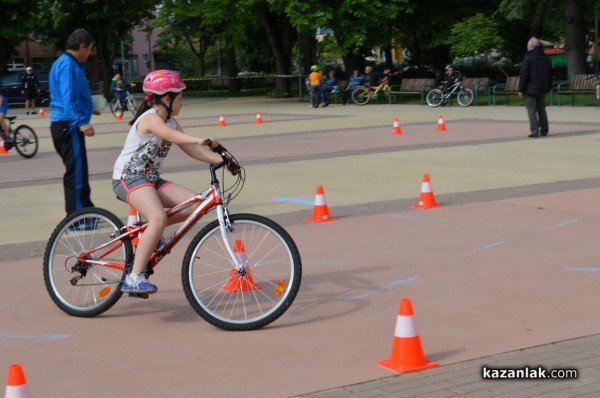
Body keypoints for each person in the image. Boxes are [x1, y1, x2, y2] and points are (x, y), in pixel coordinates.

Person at [112, 69, 225, 294]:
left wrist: (222, 159)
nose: (182, 102)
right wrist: (202, 139)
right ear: (167, 98)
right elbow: (173, 137)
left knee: (195, 205)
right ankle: (133, 278)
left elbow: (192, 150)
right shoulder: (151, 119)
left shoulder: (171, 121)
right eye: (180, 97)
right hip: (129, 177)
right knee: (157, 217)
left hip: (151, 179)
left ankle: (151, 234)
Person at [49, 28, 98, 218]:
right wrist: (80, 122)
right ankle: (77, 217)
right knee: (76, 173)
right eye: (90, 49)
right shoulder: (68, 65)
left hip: (66, 123)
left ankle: (86, 210)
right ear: (82, 46)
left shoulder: (66, 63)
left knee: (79, 170)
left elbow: (70, 95)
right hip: (68, 125)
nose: (89, 54)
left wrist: (88, 108)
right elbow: (67, 96)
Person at [518, 37, 552, 138]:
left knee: (531, 110)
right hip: (542, 88)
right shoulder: (546, 57)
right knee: (541, 109)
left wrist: (521, 89)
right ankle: (544, 130)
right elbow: (550, 73)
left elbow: (524, 74)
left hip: (531, 89)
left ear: (530, 46)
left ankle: (534, 131)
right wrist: (549, 86)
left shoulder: (528, 58)